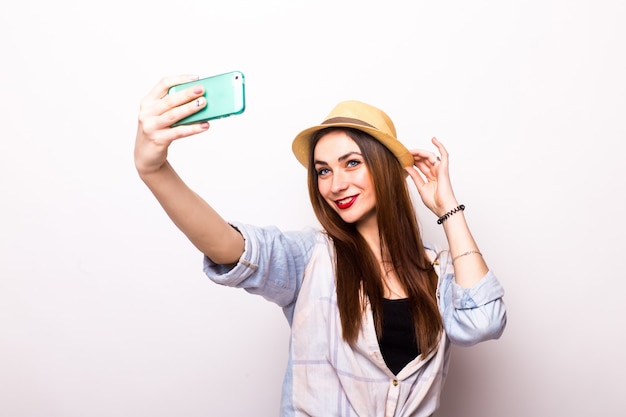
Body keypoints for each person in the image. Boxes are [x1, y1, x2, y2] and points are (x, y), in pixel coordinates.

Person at [134, 74, 507, 417]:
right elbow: (232, 247)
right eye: (323, 170)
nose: (334, 184)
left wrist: (448, 208)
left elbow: (483, 322)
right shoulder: (310, 259)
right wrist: (154, 170)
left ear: (387, 168)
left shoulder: (438, 276)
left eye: (352, 163)